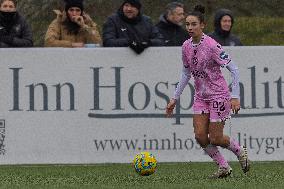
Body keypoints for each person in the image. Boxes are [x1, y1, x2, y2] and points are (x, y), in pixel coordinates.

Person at [166, 5, 250, 178]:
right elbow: (186, 72)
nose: (189, 28)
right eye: (187, 24)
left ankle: (239, 150)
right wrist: (175, 98)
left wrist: (235, 96)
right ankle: (223, 167)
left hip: (219, 95)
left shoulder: (212, 45)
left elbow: (234, 69)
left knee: (216, 138)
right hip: (201, 96)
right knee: (200, 136)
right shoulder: (186, 46)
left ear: (202, 25)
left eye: (194, 24)